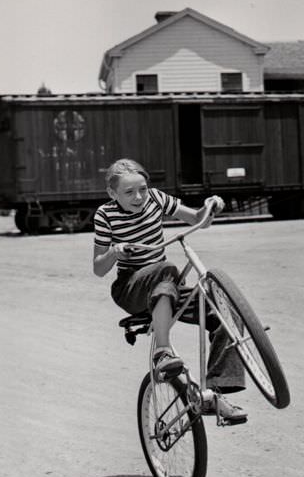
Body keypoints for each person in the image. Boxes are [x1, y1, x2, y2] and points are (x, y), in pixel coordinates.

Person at [93, 158, 247, 422]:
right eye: (129, 192)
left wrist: (210, 207)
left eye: (142, 189)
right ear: (112, 193)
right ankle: (162, 351)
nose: (139, 196)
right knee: (167, 268)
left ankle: (214, 393)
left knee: (224, 311)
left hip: (167, 285)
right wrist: (114, 252)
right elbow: (98, 267)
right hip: (131, 287)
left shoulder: (156, 199)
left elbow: (198, 219)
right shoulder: (105, 215)